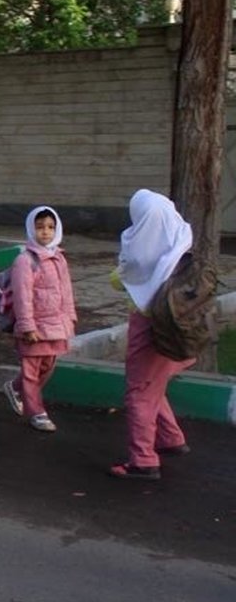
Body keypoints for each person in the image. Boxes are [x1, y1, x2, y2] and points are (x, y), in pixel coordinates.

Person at [108, 189, 194, 480]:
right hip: (179, 331)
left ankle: (143, 461)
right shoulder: (181, 238)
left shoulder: (139, 251)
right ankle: (171, 438)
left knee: (140, 393)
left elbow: (119, 279)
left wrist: (118, 273)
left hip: (150, 329)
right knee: (153, 385)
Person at [1, 206, 77, 432]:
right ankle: (37, 412)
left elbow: (67, 291)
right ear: (31, 229)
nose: (46, 232)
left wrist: (70, 317)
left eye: (51, 227)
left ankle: (15, 388)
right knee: (31, 370)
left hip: (57, 325)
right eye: (40, 227)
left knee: (48, 366)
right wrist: (27, 325)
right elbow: (22, 295)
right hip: (34, 326)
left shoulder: (59, 258)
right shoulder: (25, 261)